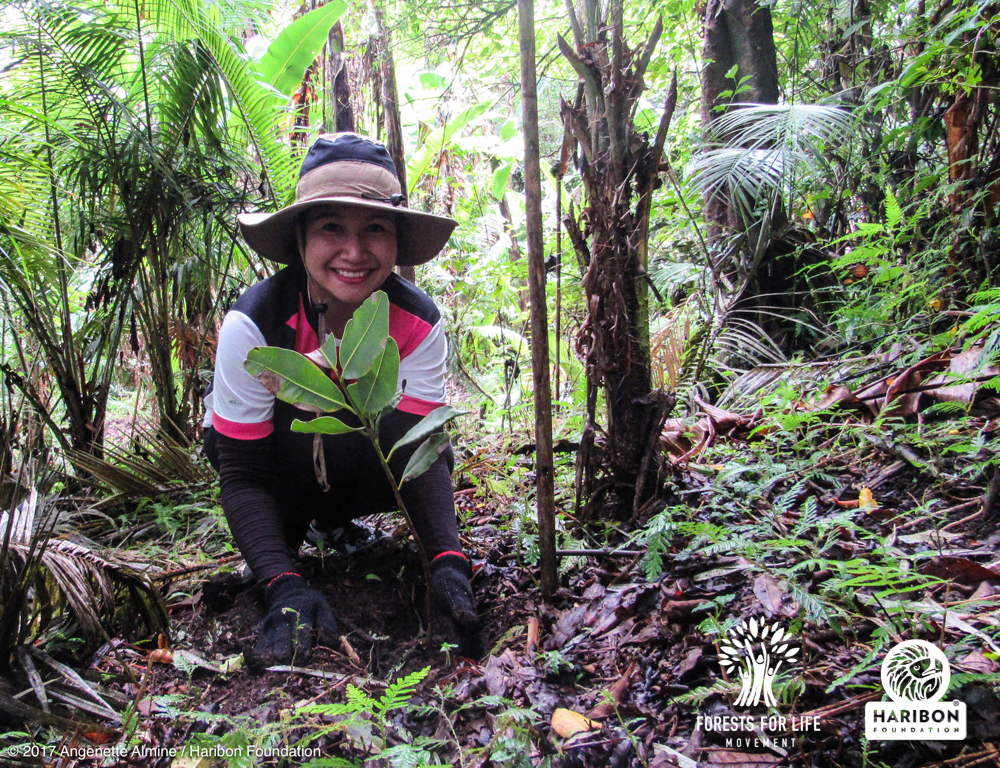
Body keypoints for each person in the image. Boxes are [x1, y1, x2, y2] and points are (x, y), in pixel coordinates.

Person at [203, 133, 478, 667]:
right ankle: (283, 552)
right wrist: (282, 585)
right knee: (227, 441)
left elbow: (422, 452)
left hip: (369, 479)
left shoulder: (418, 324)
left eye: (375, 228)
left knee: (425, 439)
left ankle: (337, 527)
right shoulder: (254, 325)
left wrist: (447, 560)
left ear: (396, 240)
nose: (354, 252)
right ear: (301, 237)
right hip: (282, 481)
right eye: (332, 227)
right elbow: (239, 469)